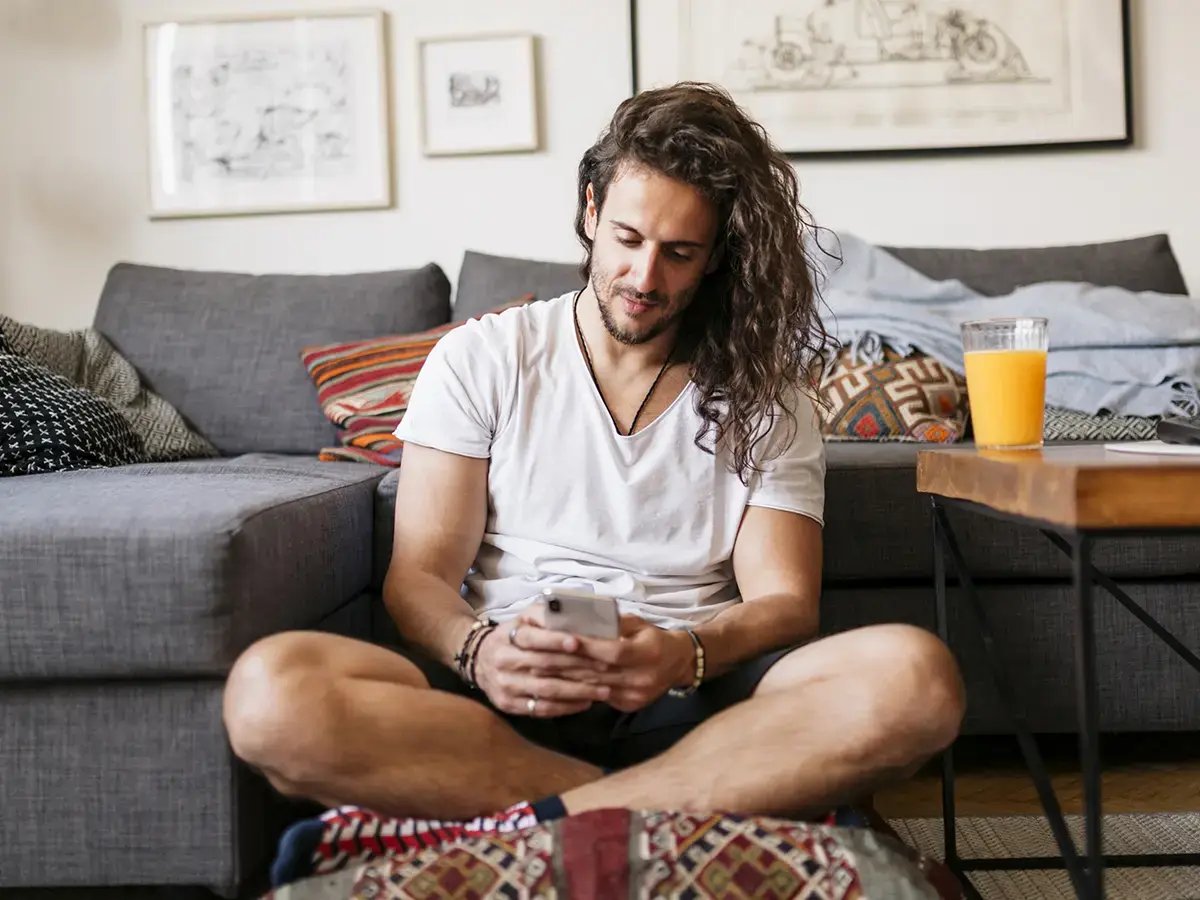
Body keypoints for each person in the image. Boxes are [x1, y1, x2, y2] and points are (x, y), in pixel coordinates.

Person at [223, 82, 964, 835]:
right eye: (629, 240)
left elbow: (783, 602)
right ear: (589, 213)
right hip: (504, 699)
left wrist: (685, 655)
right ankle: (684, 808)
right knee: (269, 694)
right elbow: (417, 579)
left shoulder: (767, 395)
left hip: (690, 695)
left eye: (680, 253)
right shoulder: (483, 357)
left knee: (916, 678)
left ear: (715, 259)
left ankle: (541, 818)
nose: (646, 280)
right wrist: (478, 653)